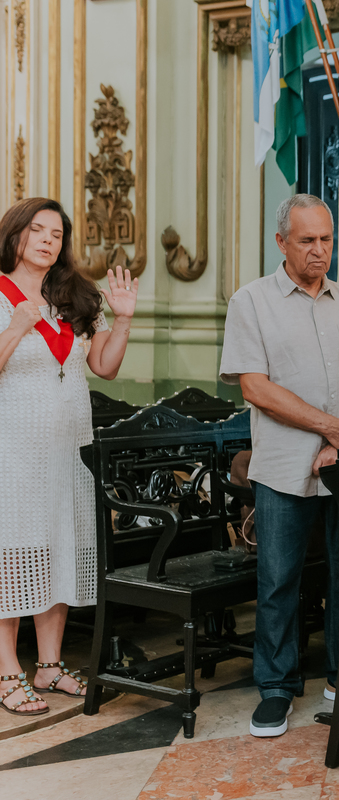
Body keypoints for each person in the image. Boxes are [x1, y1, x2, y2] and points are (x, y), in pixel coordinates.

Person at [219, 194, 339, 738]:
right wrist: (330, 427)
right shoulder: (251, 303)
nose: (320, 251)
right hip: (282, 466)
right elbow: (256, 387)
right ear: (281, 243)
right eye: (307, 241)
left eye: (326, 239)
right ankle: (275, 688)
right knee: (278, 581)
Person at [0, 198, 136, 715]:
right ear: (14, 235)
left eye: (56, 233)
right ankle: (8, 670)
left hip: (67, 452)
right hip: (12, 453)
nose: (47, 240)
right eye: (36, 230)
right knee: (12, 558)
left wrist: (121, 320)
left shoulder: (75, 296)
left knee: (58, 550)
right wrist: (15, 325)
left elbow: (103, 365)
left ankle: (50, 666)